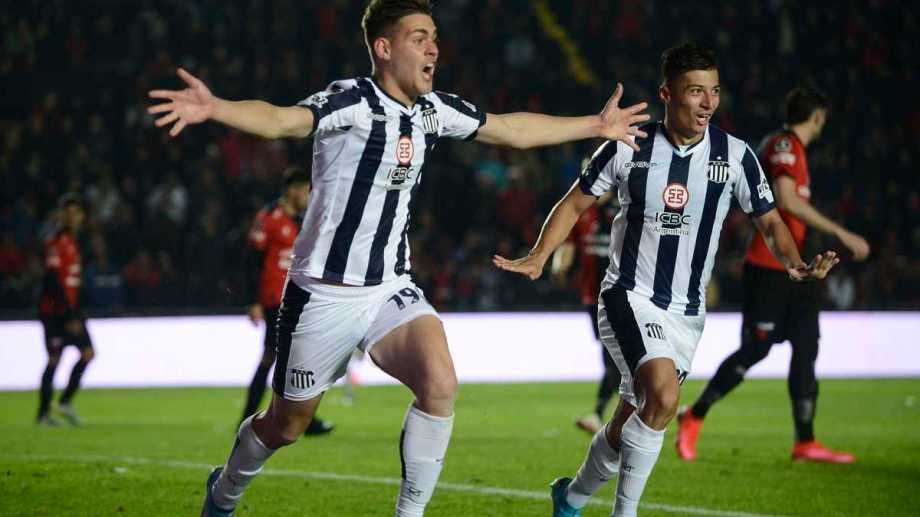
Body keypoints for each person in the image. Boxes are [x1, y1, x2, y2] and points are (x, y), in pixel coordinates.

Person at [147, 1, 649, 515]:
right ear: (384, 48)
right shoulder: (352, 100)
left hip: (389, 287)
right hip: (322, 294)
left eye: (434, 37)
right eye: (419, 38)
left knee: (440, 384)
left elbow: (509, 129)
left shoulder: (433, 110)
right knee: (286, 425)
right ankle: (224, 493)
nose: (433, 48)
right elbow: (282, 120)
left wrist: (595, 124)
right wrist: (216, 108)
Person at [493, 43, 839, 517]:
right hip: (629, 294)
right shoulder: (627, 146)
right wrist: (539, 255)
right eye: (695, 91)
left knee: (631, 420)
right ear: (667, 94)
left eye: (714, 91)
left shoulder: (735, 156)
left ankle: (569, 499)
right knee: (663, 396)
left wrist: (793, 262)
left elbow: (770, 220)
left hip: (686, 314)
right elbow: (574, 203)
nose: (708, 102)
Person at [675, 87, 870, 464]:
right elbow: (785, 198)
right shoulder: (784, 145)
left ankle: (805, 441)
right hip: (768, 266)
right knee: (756, 348)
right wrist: (841, 233)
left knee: (806, 347)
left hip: (798, 268)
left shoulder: (795, 149)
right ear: (818, 117)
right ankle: (694, 415)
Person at [241, 166, 334, 436]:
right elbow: (251, 260)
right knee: (279, 356)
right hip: (274, 298)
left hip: (298, 297)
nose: (308, 195)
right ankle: (293, 420)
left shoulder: (304, 219)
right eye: (305, 190)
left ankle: (271, 418)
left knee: (281, 357)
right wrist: (253, 301)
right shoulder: (269, 217)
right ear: (292, 190)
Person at [551, 186, 622, 434]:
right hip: (592, 295)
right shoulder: (583, 212)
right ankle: (616, 412)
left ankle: (603, 413)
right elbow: (569, 244)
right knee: (611, 354)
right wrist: (559, 266)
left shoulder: (626, 207)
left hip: (621, 294)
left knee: (613, 354)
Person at [36, 193, 95, 426]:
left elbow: (71, 283)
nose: (73, 217)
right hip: (54, 312)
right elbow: (51, 280)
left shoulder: (73, 242)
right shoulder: (56, 241)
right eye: (68, 213)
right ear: (62, 216)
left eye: (76, 213)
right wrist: (69, 314)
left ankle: (64, 402)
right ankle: (44, 414)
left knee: (87, 353)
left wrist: (76, 310)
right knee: (54, 358)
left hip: (70, 309)